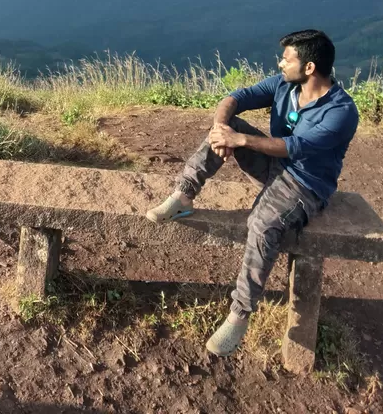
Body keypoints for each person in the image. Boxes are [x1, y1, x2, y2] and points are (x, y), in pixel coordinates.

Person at [145, 30, 359, 357]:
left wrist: (239, 141)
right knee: (232, 126)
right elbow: (236, 98)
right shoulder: (285, 84)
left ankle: (240, 313)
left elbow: (295, 147)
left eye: (287, 59)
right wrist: (221, 130)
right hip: (274, 166)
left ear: (310, 67)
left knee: (260, 222)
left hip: (306, 184)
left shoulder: (341, 111)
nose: (280, 63)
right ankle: (183, 196)